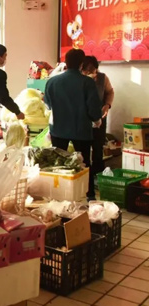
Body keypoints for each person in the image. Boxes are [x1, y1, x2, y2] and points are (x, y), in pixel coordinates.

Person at [45, 49, 102, 200]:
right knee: (84, 163)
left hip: (58, 129)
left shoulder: (52, 82)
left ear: (66, 62)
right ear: (81, 64)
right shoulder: (87, 82)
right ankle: (89, 195)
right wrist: (97, 119)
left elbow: (48, 105)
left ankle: (58, 195)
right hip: (81, 130)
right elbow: (93, 109)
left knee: (59, 163)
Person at [82, 55, 115, 195]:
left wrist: (107, 105)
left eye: (93, 69)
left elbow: (110, 92)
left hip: (99, 117)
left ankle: (97, 176)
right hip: (83, 118)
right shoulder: (79, 79)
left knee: (98, 146)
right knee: (84, 147)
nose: (91, 72)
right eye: (87, 69)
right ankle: (85, 179)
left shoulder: (102, 78)